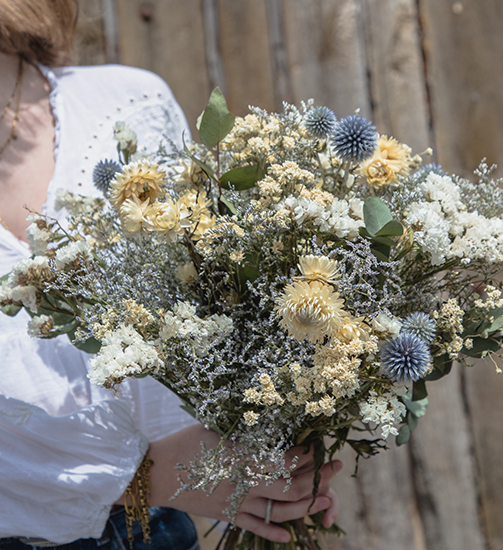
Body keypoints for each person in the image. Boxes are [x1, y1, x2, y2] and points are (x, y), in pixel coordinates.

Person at [0, 1, 341, 548]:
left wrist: (277, 453)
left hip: (162, 529)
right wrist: (151, 473)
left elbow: (213, 309)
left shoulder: (128, 105)